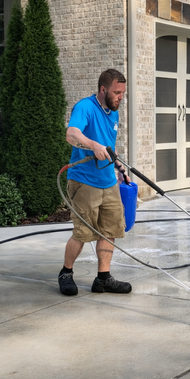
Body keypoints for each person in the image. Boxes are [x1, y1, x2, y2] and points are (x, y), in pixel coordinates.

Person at [58, 69, 132, 296]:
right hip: (84, 181)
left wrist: (120, 168)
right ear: (103, 90)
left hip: (108, 181)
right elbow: (71, 134)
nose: (121, 97)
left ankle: (103, 278)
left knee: (109, 230)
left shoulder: (114, 113)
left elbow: (109, 146)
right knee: (82, 232)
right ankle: (66, 272)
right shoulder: (85, 107)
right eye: (116, 92)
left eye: (122, 93)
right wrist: (93, 145)